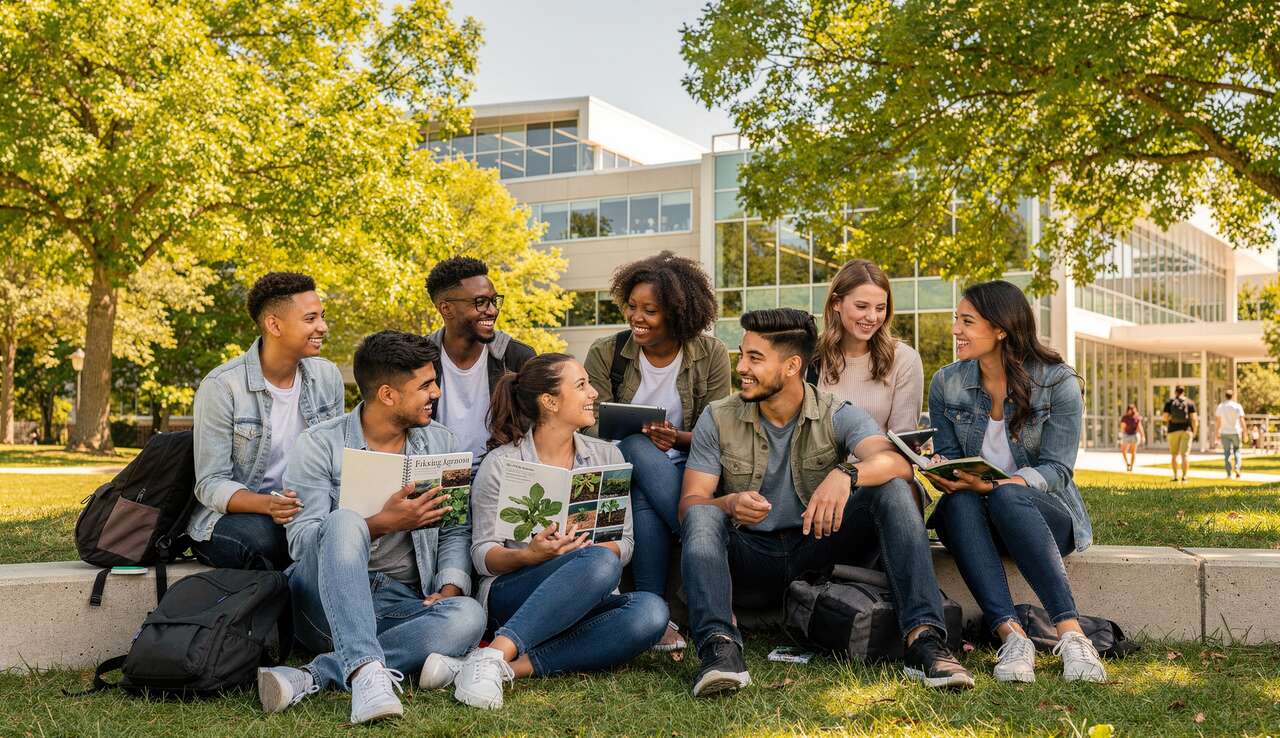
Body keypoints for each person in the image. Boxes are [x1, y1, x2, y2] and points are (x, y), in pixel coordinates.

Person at [679, 308, 973, 697]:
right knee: (702, 513)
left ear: (791, 366)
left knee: (893, 488)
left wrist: (846, 474)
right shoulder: (718, 417)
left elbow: (899, 464)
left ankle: (924, 642)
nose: (742, 368)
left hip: (817, 552)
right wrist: (729, 504)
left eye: (754, 358)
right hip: (750, 557)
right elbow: (690, 504)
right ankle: (720, 649)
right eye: (742, 355)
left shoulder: (835, 413)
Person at [257, 331, 486, 724]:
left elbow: (453, 529)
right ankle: (365, 672)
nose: (436, 394)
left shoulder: (442, 443)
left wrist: (448, 588)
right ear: (387, 395)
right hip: (325, 602)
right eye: (425, 386)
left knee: (468, 615)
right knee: (343, 520)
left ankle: (319, 674)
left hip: (401, 602)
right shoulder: (318, 445)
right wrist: (380, 524)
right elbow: (302, 543)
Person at [420, 353, 668, 709]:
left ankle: (494, 664)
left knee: (652, 612)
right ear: (550, 402)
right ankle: (498, 651)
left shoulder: (607, 458)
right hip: (514, 594)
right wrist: (530, 555)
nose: (594, 393)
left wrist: (581, 550)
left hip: (588, 590)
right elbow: (482, 556)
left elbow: (624, 543)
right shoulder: (501, 463)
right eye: (581, 385)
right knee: (599, 561)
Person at [926, 280, 1106, 684]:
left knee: (1007, 495)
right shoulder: (946, 383)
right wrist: (943, 471)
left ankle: (1072, 635)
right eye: (957, 319)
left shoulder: (1056, 382)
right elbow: (953, 460)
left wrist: (998, 486)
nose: (955, 330)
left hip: (1043, 517)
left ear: (1000, 329)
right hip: (976, 520)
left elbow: (1058, 470)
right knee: (958, 503)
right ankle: (1012, 637)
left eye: (967, 321)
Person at [583, 251, 731, 651]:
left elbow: (719, 429)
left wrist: (675, 439)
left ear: (678, 313)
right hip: (619, 464)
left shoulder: (711, 354)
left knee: (644, 485)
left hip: (687, 468)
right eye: (632, 306)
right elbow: (588, 421)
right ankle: (706, 545)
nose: (637, 318)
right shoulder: (606, 352)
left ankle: (653, 615)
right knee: (634, 447)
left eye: (650, 310)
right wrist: (636, 435)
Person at [188, 272, 345, 571]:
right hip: (238, 516)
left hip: (309, 509)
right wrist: (269, 505)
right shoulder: (223, 386)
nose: (323, 327)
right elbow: (210, 483)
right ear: (274, 325)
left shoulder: (327, 377)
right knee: (267, 541)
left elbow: (337, 459)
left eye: (322, 317)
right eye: (310, 319)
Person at [425, 256, 536, 469]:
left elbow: (538, 426)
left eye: (494, 301)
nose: (493, 310)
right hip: (436, 476)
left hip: (500, 474)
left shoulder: (517, 357)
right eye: (480, 302)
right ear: (446, 309)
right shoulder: (419, 359)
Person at [808, 259, 923, 435]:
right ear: (836, 302)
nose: (872, 317)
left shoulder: (904, 360)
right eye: (861, 306)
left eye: (880, 308)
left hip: (882, 454)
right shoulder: (808, 355)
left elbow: (903, 441)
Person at [1163, 386, 1198, 483]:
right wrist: (1194, 431)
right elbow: (1194, 419)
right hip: (1186, 431)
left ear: (1175, 392)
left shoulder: (1170, 402)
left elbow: (1165, 417)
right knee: (1185, 455)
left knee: (1174, 455)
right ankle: (1184, 477)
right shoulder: (1190, 403)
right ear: (1183, 392)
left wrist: (1171, 418)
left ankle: (1175, 476)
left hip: (1172, 431)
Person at [1215, 390, 1246, 478]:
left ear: (1225, 396)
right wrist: (1245, 432)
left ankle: (1228, 473)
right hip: (1235, 431)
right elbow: (1242, 420)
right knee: (1237, 450)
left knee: (1227, 453)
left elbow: (1218, 421)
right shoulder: (1237, 406)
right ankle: (1237, 468)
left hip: (1225, 432)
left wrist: (1217, 432)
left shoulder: (1221, 406)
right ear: (1233, 396)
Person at [1118, 405, 1143, 472]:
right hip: (1126, 435)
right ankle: (1127, 464)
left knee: (1133, 452)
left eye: (1133, 409)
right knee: (1123, 451)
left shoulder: (1137, 417)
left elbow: (1140, 427)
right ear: (1128, 410)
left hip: (1134, 435)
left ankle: (1131, 466)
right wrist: (1121, 436)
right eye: (1130, 409)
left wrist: (1142, 436)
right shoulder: (1125, 417)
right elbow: (1122, 427)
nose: (1131, 411)